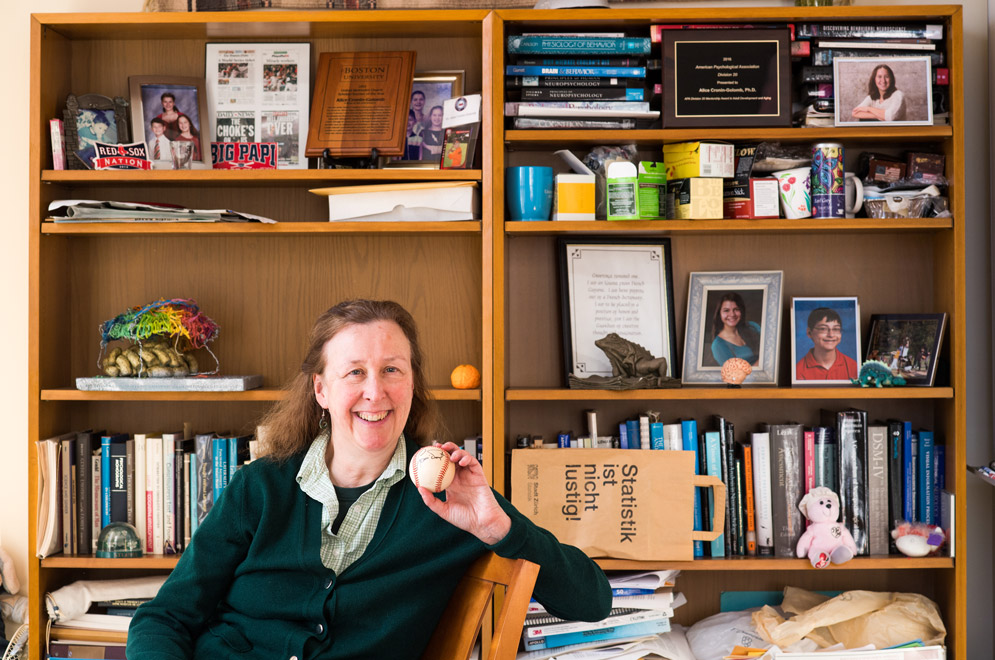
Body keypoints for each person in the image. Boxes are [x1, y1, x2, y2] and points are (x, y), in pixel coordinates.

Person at [127, 299, 612, 659]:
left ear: (413, 384)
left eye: (392, 370)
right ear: (320, 389)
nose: (374, 392)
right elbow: (164, 617)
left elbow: (592, 600)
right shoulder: (260, 488)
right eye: (354, 372)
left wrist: (500, 529)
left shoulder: (451, 503)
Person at [795, 307, 859, 381]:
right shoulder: (798, 371)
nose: (831, 335)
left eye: (836, 329)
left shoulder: (853, 367)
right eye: (823, 329)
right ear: (809, 332)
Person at [709, 292, 761, 367]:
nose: (732, 314)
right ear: (719, 314)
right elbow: (736, 376)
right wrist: (764, 359)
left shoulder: (752, 326)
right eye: (726, 310)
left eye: (736, 309)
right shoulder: (718, 345)